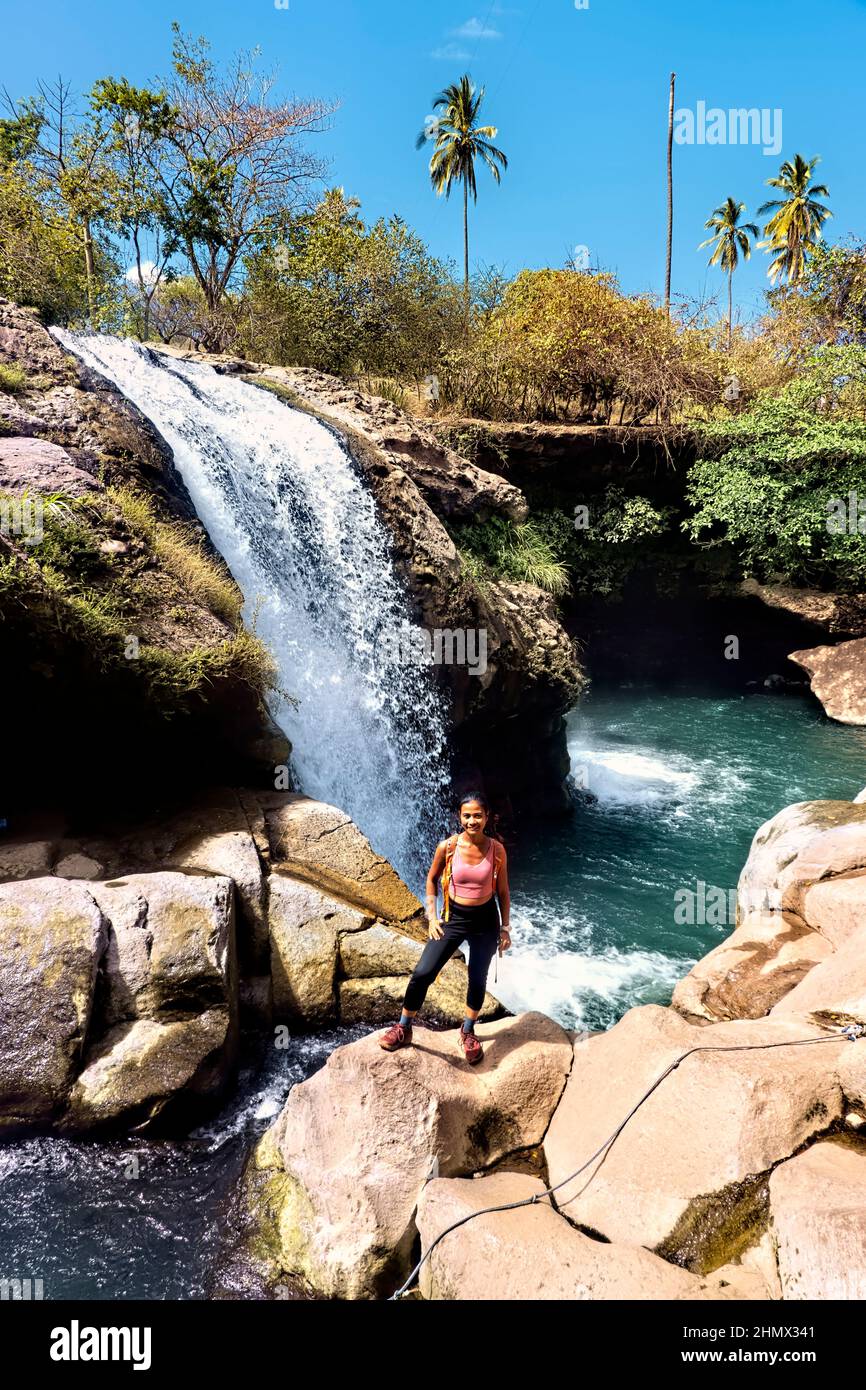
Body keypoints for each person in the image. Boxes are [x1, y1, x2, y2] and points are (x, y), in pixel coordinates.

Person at [379, 793, 511, 1064]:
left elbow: (504, 892)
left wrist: (505, 928)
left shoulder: (497, 850)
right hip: (453, 917)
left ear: (486, 817)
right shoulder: (448, 847)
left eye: (477, 815)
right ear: (459, 817)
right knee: (423, 971)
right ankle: (404, 1027)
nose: (472, 821)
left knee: (477, 977)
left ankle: (468, 1030)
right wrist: (432, 916)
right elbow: (431, 880)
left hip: (486, 920)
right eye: (467, 815)